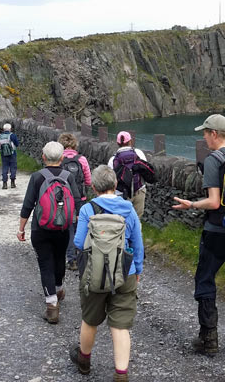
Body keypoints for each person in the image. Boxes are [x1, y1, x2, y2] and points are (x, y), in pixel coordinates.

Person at [171, 114, 225, 361]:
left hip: (217, 232)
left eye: (205, 133)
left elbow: (214, 201)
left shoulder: (213, 161)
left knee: (205, 279)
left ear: (214, 134)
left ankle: (209, 338)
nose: (204, 137)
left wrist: (191, 204)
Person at [69, 165, 144, 382]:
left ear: (93, 187)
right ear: (115, 185)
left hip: (94, 272)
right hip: (125, 273)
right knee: (120, 325)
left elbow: (78, 241)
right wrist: (137, 270)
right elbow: (138, 245)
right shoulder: (129, 209)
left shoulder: (87, 209)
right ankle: (121, 374)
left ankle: (84, 361)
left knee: (90, 319)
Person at [16, 141, 81, 324]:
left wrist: (21, 228)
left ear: (43, 157)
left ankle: (52, 306)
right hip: (63, 228)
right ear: (62, 158)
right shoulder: (68, 176)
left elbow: (28, 204)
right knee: (59, 258)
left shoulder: (37, 177)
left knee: (45, 264)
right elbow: (76, 201)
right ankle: (58, 289)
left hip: (40, 228)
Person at [57, 132, 92, 271]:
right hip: (80, 199)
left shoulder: (59, 159)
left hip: (63, 199)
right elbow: (88, 180)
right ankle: (80, 257)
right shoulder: (82, 159)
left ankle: (69, 258)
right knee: (79, 227)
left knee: (66, 227)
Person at [107, 131, 148, 218]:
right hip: (139, 191)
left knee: (122, 220)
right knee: (137, 220)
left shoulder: (113, 160)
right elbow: (145, 170)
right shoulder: (139, 153)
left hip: (121, 194)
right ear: (130, 141)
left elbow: (111, 180)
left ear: (118, 143)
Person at [0, 123, 20, 189]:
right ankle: (12, 183)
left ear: (3, 129)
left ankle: (4, 184)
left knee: (5, 168)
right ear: (10, 129)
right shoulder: (12, 135)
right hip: (12, 154)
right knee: (13, 168)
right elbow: (17, 144)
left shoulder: (0, 136)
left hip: (3, 154)